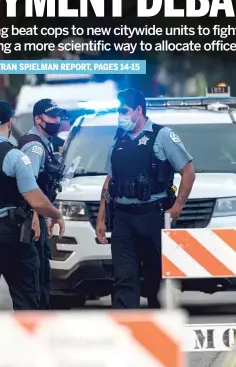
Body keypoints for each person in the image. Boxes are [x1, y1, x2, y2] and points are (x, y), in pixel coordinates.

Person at [0, 100, 66, 367]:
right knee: (26, 297)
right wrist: (56, 214)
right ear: (10, 121)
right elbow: (35, 200)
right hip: (14, 236)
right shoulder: (15, 156)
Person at [95, 89, 196, 309]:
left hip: (154, 215)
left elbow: (188, 172)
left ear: (139, 110)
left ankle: (157, 330)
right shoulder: (118, 139)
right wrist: (101, 218)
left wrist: (178, 206)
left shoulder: (162, 136)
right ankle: (126, 331)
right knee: (123, 278)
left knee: (156, 278)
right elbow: (109, 181)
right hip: (123, 218)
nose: (120, 115)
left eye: (124, 110)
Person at [18, 98, 67, 310]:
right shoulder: (34, 147)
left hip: (38, 216)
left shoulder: (44, 143)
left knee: (42, 272)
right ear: (38, 119)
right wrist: (36, 217)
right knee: (36, 276)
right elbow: (28, 186)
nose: (57, 120)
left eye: (58, 116)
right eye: (52, 116)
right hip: (31, 219)